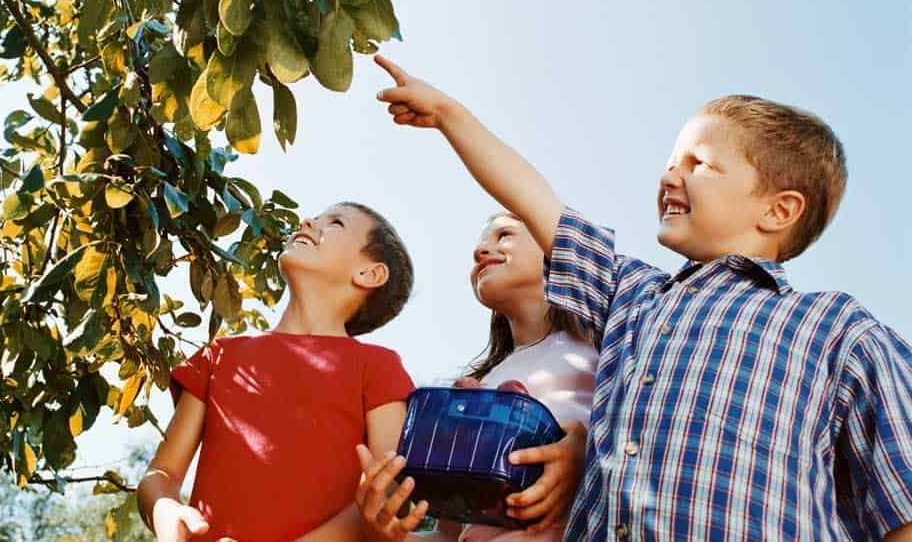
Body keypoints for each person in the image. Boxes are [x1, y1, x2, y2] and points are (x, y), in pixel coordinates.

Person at [364, 55, 912, 540]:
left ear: (778, 210)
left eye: (700, 163)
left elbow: (900, 499)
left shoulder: (838, 328)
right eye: (673, 160)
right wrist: (450, 117)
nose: (672, 173)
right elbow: (538, 203)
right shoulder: (634, 296)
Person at [137, 202, 416, 541]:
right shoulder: (220, 356)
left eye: (336, 222)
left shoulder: (378, 366)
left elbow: (387, 492)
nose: (309, 221)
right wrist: (165, 508)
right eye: (317, 216)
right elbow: (162, 472)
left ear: (369, 273)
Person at [357, 212, 598, 540]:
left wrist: (584, 451)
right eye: (482, 242)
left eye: (504, 236)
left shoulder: (599, 350)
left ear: (555, 251)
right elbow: (450, 532)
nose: (481, 251)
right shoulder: (480, 385)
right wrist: (389, 533)